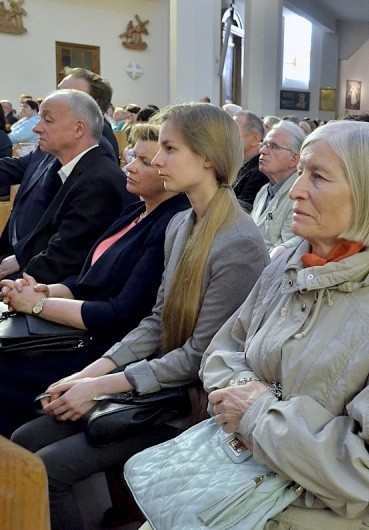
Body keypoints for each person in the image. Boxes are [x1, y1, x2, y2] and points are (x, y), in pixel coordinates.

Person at [11, 103, 269, 529]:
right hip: (156, 380)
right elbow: (156, 321)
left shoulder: (238, 241)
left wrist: (99, 386)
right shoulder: (181, 223)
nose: (157, 160)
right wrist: (86, 376)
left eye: (169, 148)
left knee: (49, 468)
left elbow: (200, 358)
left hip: (190, 403)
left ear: (206, 158)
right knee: (26, 437)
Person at [192, 120, 369, 528]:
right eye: (300, 172)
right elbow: (222, 351)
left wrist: (261, 415)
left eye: (318, 176)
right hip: (237, 474)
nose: (297, 190)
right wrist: (249, 398)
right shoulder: (287, 263)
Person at [0, 123, 191, 437]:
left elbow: (121, 314)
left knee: (6, 369)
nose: (129, 166)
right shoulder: (135, 212)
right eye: (132, 157)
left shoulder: (169, 223)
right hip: (79, 328)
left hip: (106, 345)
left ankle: (18, 479)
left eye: (144, 161)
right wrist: (44, 289)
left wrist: (38, 306)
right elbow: (86, 280)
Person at [0, 89, 135, 284]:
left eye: (48, 120)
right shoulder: (79, 169)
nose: (37, 128)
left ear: (79, 129)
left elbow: (64, 260)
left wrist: (13, 285)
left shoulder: (97, 182)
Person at [250, 120, 306, 252]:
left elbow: (285, 250)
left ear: (294, 159)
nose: (262, 151)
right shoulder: (264, 190)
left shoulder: (299, 196)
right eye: (264, 144)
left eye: (273, 146)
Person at [232, 110, 268, 211]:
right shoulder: (236, 163)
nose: (228, 138)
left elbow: (241, 209)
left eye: (234, 132)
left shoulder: (261, 171)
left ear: (255, 138)